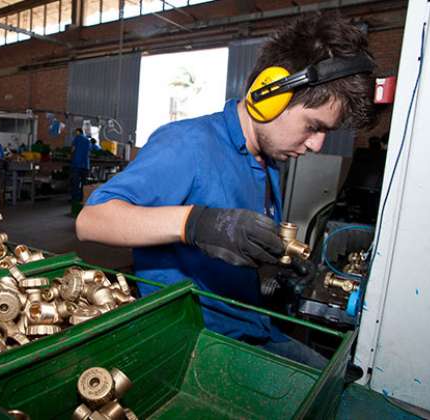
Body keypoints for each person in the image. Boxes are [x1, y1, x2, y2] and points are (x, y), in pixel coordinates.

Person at [76, 13, 375, 369]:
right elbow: (92, 220)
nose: (316, 144)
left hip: (255, 328)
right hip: (196, 345)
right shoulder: (188, 144)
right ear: (270, 95)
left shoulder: (267, 162)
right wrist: (197, 224)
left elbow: (234, 251)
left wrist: (273, 270)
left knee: (339, 378)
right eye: (313, 126)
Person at [70, 128, 91, 202]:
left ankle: (74, 199)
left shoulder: (77, 138)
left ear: (78, 132)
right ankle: (82, 199)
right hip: (86, 165)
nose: (75, 134)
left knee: (75, 183)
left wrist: (71, 156)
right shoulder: (88, 140)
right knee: (84, 184)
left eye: (75, 132)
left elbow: (72, 149)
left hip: (77, 164)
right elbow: (89, 152)